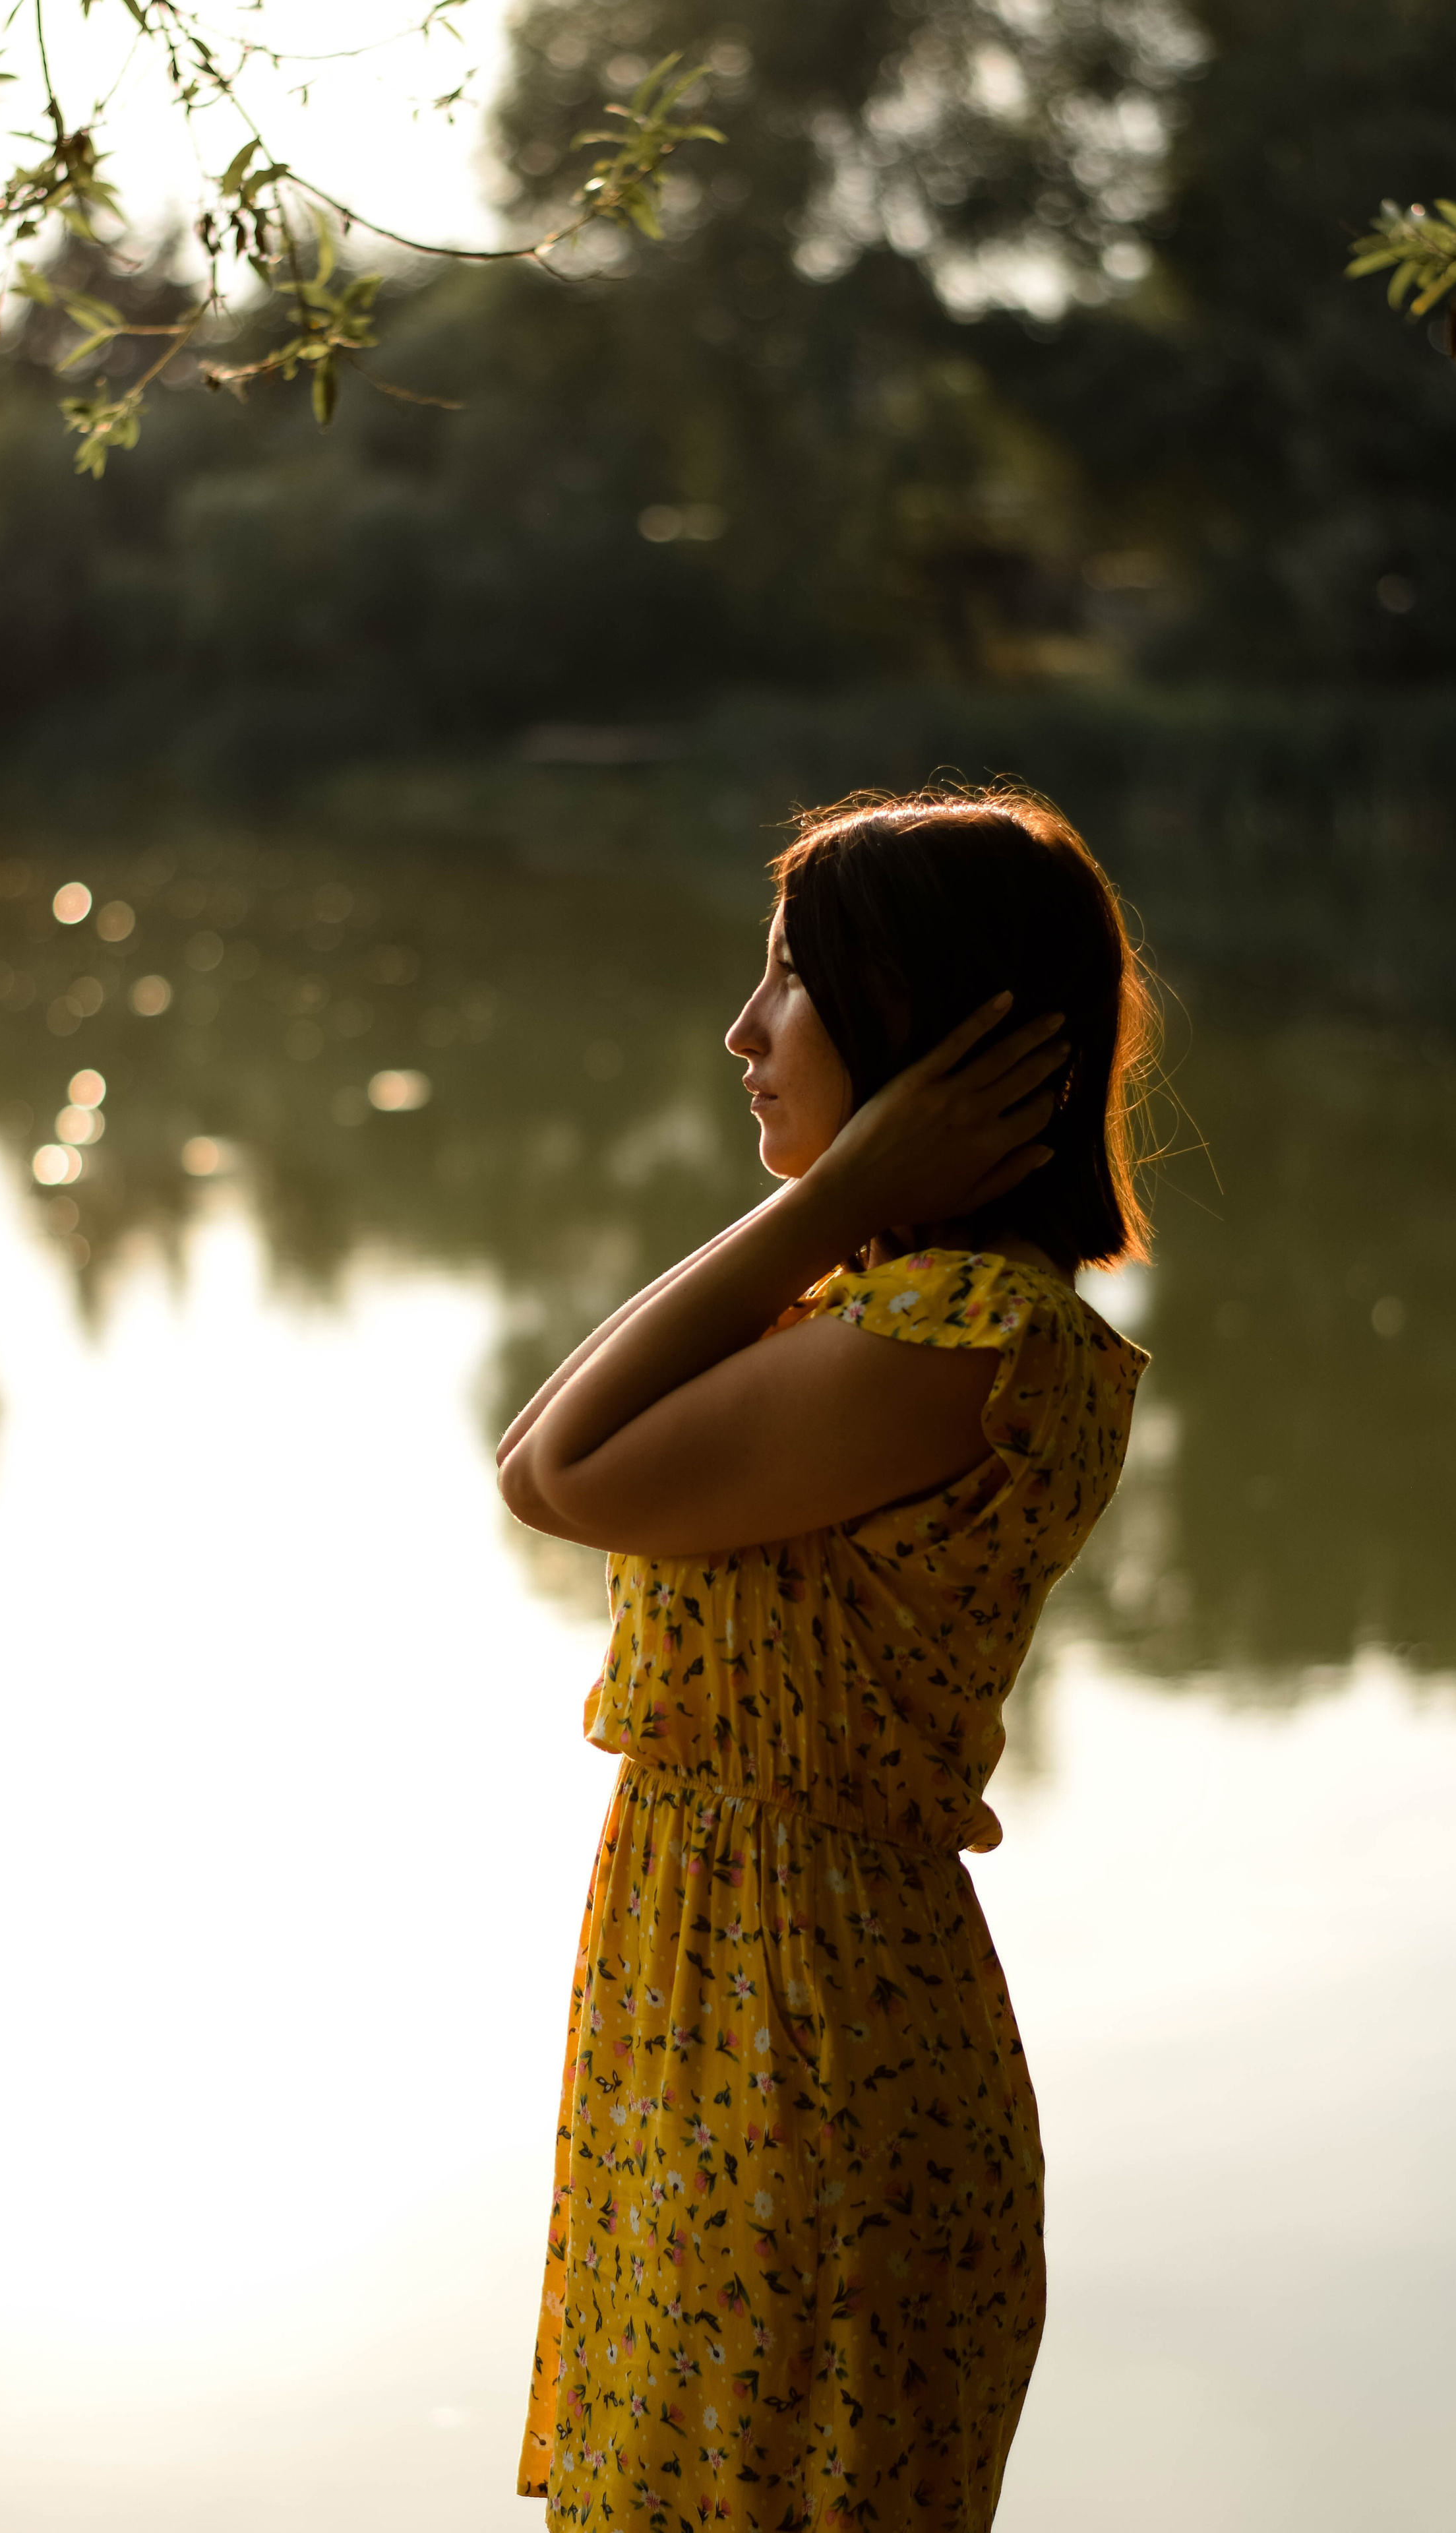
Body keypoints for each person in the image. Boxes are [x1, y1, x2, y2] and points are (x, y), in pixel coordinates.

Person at [499, 785, 1153, 2532]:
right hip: (732, 2011)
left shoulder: (962, 1336)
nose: (742, 1030)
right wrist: (841, 1204)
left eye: (790, 979)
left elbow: (553, 1474)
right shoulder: (874, 1312)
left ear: (930, 1031)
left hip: (805, 2054)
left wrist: (833, 1197)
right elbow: (553, 1446)